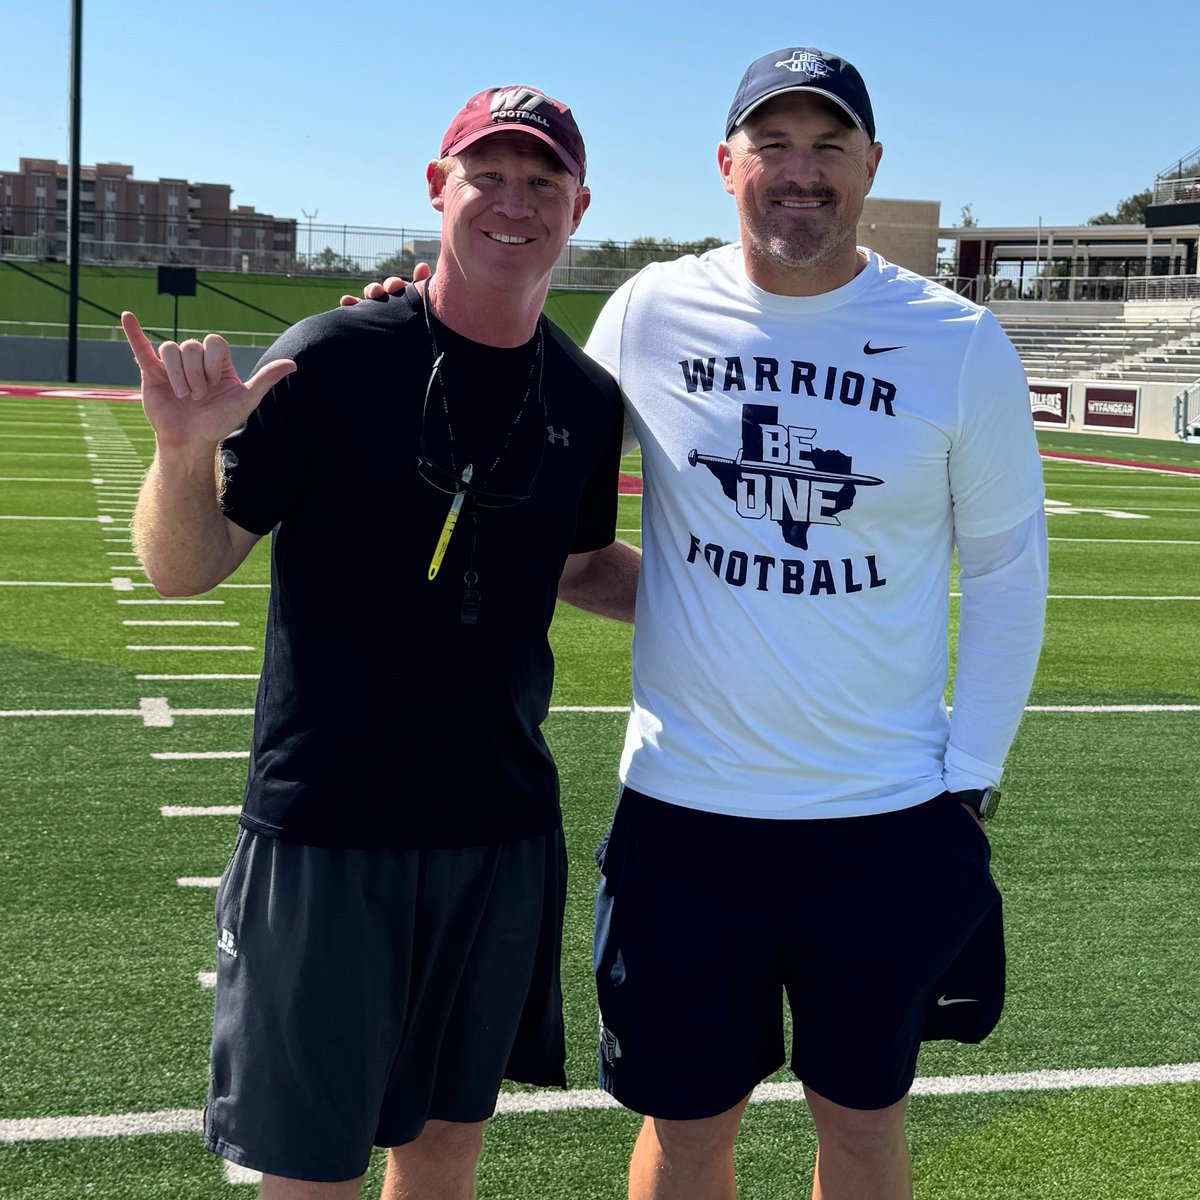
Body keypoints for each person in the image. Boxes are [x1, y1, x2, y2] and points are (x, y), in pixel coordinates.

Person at [352, 46, 1047, 1200]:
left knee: (862, 1122)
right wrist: (406, 335)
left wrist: (967, 778)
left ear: (871, 164)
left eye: (827, 145)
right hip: (685, 813)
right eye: (773, 144)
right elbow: (529, 461)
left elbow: (1010, 572)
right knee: (685, 1129)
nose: (800, 171)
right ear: (727, 163)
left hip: (884, 814)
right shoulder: (652, 311)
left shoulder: (958, 341)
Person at [122, 84, 637, 1200]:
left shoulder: (588, 398)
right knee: (310, 1172)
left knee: (446, 1147)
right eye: (487, 175)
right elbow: (183, 567)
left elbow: (574, 564)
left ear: (579, 206)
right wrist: (181, 452)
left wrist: (776, 601)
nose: (514, 202)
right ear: (438, 188)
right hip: (328, 827)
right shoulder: (333, 356)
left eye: (541, 181)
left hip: (498, 829)